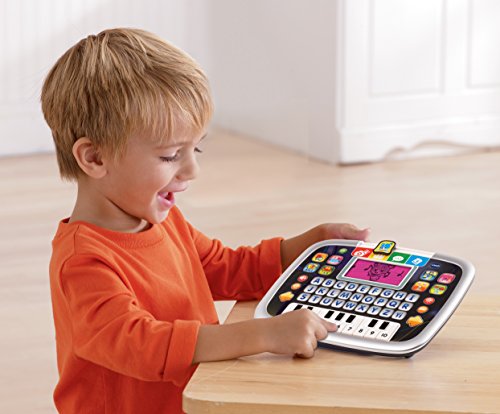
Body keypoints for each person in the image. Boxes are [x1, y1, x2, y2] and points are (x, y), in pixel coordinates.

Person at [41, 28, 370, 413]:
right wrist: (261, 335)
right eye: (170, 155)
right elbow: (141, 345)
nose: (192, 170)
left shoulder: (164, 222)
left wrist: (307, 246)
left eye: (195, 149)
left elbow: (224, 267)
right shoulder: (82, 262)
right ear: (94, 158)